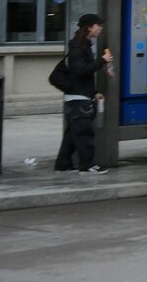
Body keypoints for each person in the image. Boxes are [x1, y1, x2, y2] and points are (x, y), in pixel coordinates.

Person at [54, 13, 114, 175]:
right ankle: (88, 165)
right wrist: (102, 60)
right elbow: (80, 71)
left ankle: (63, 164)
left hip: (78, 96)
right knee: (84, 134)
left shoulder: (83, 45)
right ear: (89, 27)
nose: (100, 28)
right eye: (98, 25)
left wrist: (94, 92)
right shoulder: (78, 48)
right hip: (78, 100)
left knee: (72, 136)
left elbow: (82, 76)